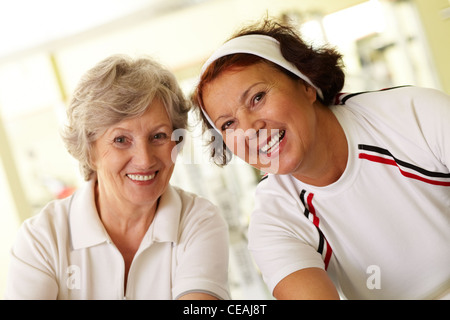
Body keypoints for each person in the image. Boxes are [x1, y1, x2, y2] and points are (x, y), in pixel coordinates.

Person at [191, 19, 450, 299]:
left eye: (257, 97)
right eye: (228, 124)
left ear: (305, 85)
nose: (249, 129)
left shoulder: (414, 115)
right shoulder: (273, 223)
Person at [5, 55, 230, 300]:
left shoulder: (198, 220)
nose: (144, 160)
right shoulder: (43, 237)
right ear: (89, 151)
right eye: (121, 140)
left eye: (158, 136)